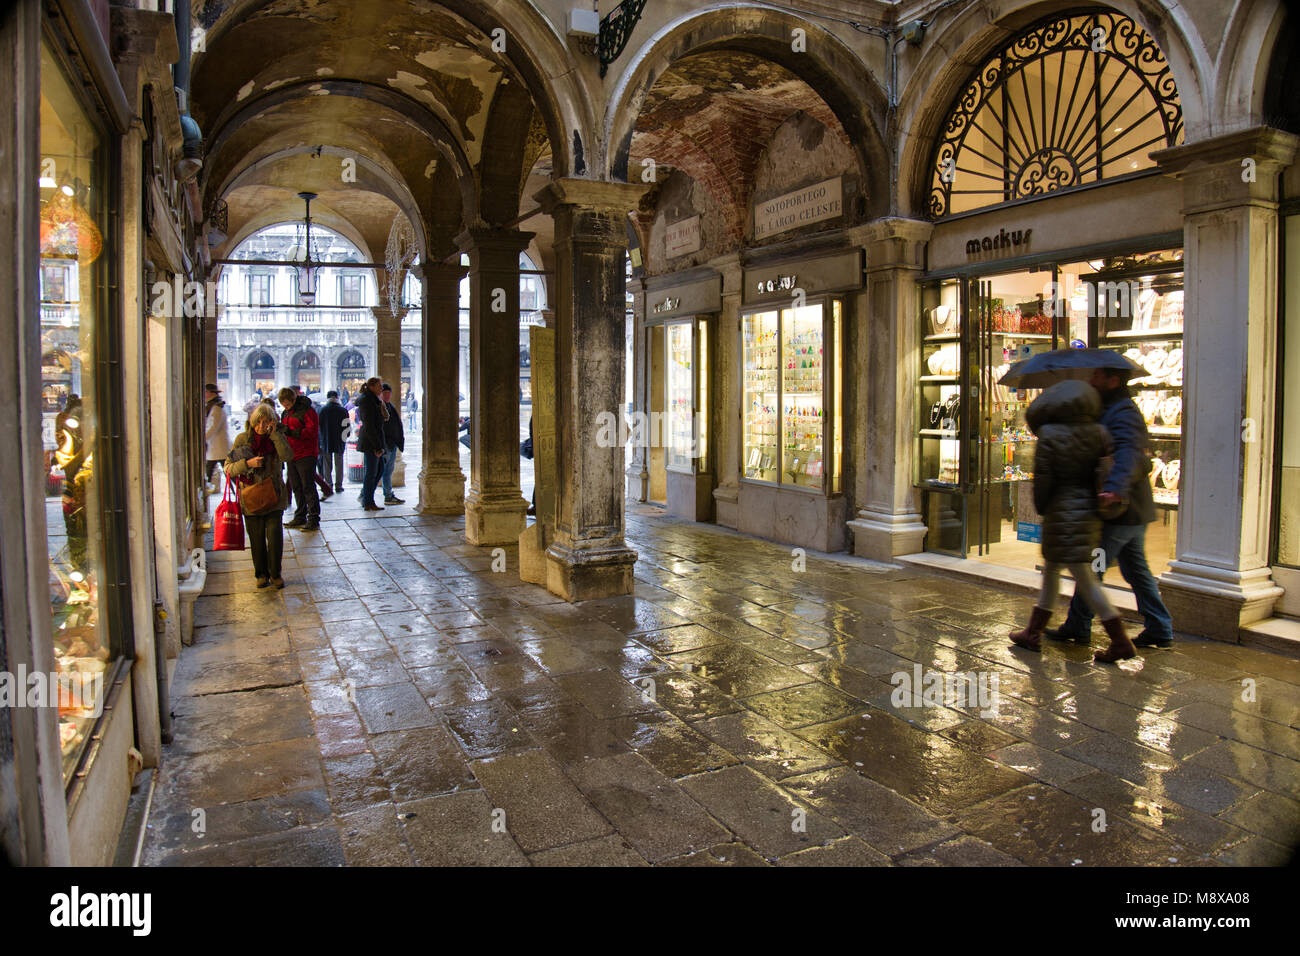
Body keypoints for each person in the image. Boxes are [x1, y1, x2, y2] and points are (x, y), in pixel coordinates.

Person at [1045, 365, 1174, 649]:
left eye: (1097, 376)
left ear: (1113, 380)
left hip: (1119, 508)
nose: (1091, 379)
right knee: (1135, 570)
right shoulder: (1109, 408)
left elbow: (1129, 452)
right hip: (1127, 510)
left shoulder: (1123, 411)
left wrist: (1114, 488)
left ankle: (1079, 625)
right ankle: (1160, 626)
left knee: (1093, 567)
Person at [1009, 379, 1136, 663]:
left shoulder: (1050, 435)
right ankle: (1033, 632)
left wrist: (1042, 507)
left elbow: (1043, 480)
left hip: (1061, 512)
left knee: (1084, 578)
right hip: (1088, 511)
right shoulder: (1099, 431)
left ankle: (1120, 640)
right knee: (1053, 571)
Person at [225, 402, 292, 588]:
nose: (261, 427)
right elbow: (228, 469)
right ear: (251, 422)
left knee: (275, 538)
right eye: (258, 422)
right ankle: (261, 574)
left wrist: (276, 435)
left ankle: (276, 574)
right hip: (250, 497)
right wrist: (248, 464)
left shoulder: (276, 438)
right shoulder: (242, 440)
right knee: (256, 540)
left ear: (272, 422)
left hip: (274, 496)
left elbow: (287, 456)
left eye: (266, 422)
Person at [278, 386, 321, 531]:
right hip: (292, 454)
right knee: (296, 486)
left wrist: (290, 432)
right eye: (283, 404)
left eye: (288, 403)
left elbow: (311, 432)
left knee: (308, 486)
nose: (285, 406)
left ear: (293, 399)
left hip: (306, 454)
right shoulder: (286, 413)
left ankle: (313, 518)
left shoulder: (308, 411)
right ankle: (300, 515)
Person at [356, 376, 388, 511]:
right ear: (371, 387)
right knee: (371, 472)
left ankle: (366, 496)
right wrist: (377, 446)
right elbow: (369, 426)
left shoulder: (375, 400)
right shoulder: (367, 401)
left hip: (375, 440)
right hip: (370, 442)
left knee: (380, 469)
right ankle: (368, 501)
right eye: (379, 385)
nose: (382, 388)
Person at [318, 390, 350, 493]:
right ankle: (339, 485)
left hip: (326, 440)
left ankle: (328, 484)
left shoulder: (322, 410)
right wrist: (344, 439)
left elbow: (319, 427)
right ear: (337, 397)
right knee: (339, 463)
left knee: (327, 464)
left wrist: (321, 440)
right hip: (339, 440)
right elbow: (347, 427)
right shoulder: (343, 410)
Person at [380, 383, 405, 505]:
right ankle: (365, 495)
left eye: (389, 393)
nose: (388, 395)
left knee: (387, 470)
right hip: (386, 443)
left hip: (392, 443)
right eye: (385, 393)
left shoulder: (390, 406)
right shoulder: (380, 407)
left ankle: (388, 494)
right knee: (381, 471)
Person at [204, 384, 231, 491]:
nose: (205, 394)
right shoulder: (214, 406)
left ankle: (241, 495)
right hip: (216, 448)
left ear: (212, 393)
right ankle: (240, 495)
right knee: (227, 474)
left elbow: (213, 426)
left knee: (228, 474)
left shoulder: (216, 408)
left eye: (206, 392)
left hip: (217, 448)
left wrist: (203, 438)